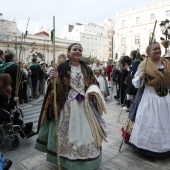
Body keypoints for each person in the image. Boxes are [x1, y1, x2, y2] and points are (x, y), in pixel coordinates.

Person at [35, 43, 107, 170]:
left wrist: (92, 91)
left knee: (86, 133)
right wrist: (53, 78)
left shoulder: (86, 68)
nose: (78, 52)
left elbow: (92, 82)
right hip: (67, 104)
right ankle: (66, 159)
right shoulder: (61, 67)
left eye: (80, 50)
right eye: (75, 49)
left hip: (84, 105)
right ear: (69, 52)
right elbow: (54, 88)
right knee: (67, 134)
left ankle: (86, 159)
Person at [123, 42, 170, 159]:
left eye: (159, 48)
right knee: (151, 120)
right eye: (155, 49)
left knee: (164, 120)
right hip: (150, 96)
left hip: (165, 97)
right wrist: (140, 77)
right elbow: (135, 82)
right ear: (149, 52)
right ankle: (149, 148)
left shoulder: (166, 63)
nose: (158, 51)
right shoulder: (144, 64)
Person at [0, 73, 35, 138]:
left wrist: (13, 101)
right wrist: (14, 101)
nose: (11, 81)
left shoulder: (3, 91)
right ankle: (23, 129)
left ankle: (22, 127)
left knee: (17, 111)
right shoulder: (2, 93)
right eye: (9, 80)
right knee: (16, 112)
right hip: (2, 113)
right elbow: (6, 106)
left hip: (3, 111)